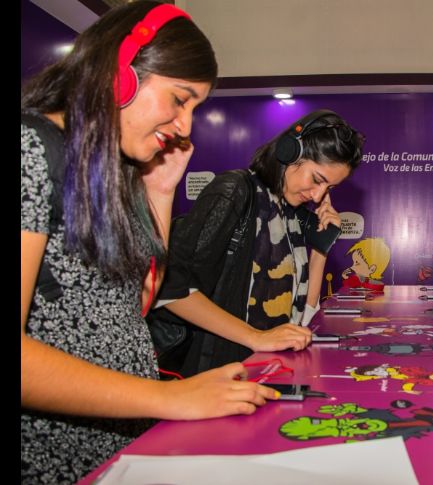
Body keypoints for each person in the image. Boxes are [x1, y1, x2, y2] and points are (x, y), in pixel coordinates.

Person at [21, 2, 281, 483]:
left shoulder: (112, 169)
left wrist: (160, 192)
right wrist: (168, 397)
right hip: (55, 459)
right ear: (119, 73)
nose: (185, 126)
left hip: (120, 441)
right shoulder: (30, 148)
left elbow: (137, 302)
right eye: (180, 100)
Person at [155, 109, 365, 376]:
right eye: (317, 179)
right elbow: (169, 288)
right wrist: (255, 337)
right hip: (216, 375)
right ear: (291, 152)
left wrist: (321, 248)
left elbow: (303, 320)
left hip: (266, 371)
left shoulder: (292, 214)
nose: (317, 195)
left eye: (329, 189)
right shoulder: (233, 191)